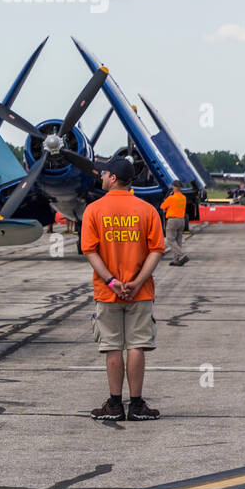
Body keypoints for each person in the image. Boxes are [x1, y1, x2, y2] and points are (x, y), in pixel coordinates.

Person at [81, 157, 165, 421]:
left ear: (113, 178)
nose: (102, 177)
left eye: (104, 174)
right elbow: (157, 250)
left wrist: (111, 281)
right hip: (140, 293)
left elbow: (90, 251)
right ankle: (137, 404)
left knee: (112, 346)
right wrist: (138, 282)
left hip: (108, 294)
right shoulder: (147, 210)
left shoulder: (93, 210)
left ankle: (115, 405)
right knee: (137, 346)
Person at [160, 180, 189, 266]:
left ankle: (181, 254)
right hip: (181, 220)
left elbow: (162, 207)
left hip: (173, 220)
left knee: (170, 239)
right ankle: (176, 260)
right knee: (178, 240)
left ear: (175, 188)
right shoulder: (183, 198)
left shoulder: (171, 198)